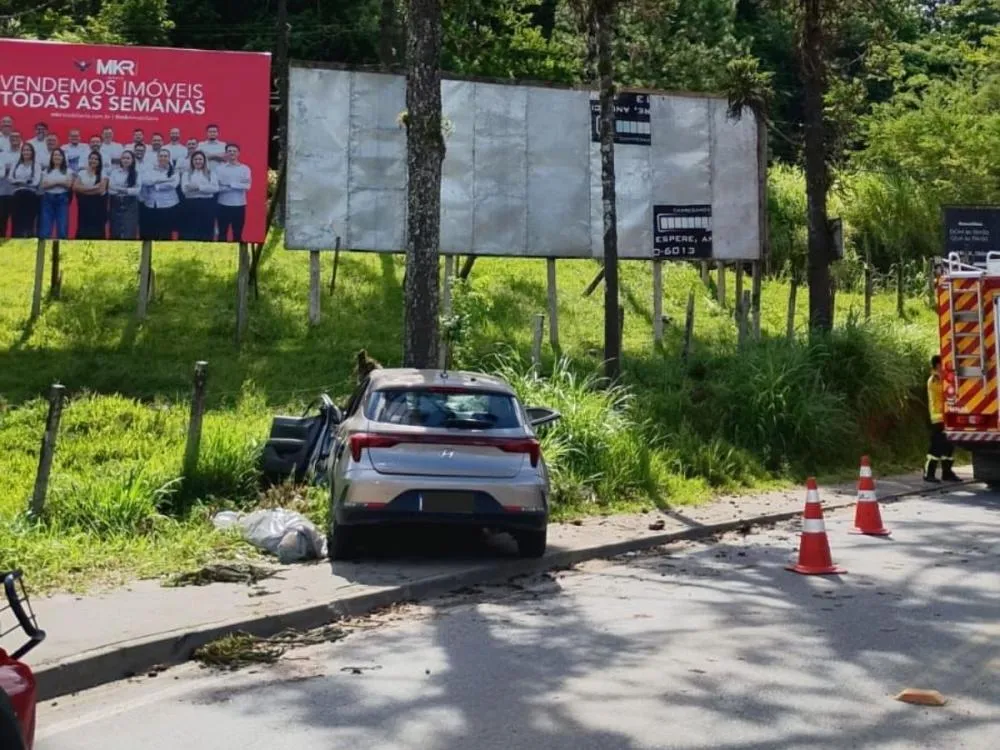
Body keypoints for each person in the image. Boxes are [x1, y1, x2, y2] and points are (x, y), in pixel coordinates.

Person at [925, 355, 960, 483]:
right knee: (936, 447)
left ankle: (947, 473)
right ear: (938, 365)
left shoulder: (942, 378)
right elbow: (944, 391)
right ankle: (929, 474)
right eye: (943, 364)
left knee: (949, 447)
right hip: (938, 417)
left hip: (947, 416)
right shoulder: (934, 379)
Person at [214, 143, 251, 242]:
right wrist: (237, 185)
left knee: (238, 233)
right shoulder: (219, 169)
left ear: (238, 153)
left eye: (234, 151)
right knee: (222, 233)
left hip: (239, 205)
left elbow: (247, 186)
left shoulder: (245, 169)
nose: (232, 153)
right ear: (226, 153)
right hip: (222, 205)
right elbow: (217, 187)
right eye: (229, 151)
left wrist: (229, 184)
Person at [180, 150, 219, 241]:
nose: (198, 161)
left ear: (204, 161)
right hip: (190, 205)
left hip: (207, 205)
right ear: (192, 161)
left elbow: (215, 189)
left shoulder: (210, 173)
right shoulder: (186, 174)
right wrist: (206, 188)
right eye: (195, 159)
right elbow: (185, 190)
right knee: (191, 230)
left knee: (206, 231)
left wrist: (198, 187)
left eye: (200, 159)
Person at [142, 148, 180, 240]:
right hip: (151, 205)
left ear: (169, 158)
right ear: (157, 157)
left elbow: (172, 185)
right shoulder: (150, 169)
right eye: (161, 156)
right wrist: (162, 180)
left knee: (165, 234)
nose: (163, 158)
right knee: (152, 233)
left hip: (168, 205)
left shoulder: (174, 171)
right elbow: (145, 181)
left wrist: (155, 185)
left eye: (165, 156)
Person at [39, 148, 74, 239]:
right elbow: (44, 185)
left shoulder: (69, 171)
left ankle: (61, 251)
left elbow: (69, 185)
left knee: (62, 229)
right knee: (45, 230)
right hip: (47, 199)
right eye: (55, 155)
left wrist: (52, 183)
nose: (57, 157)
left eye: (59, 155)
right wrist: (59, 182)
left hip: (62, 199)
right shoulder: (46, 171)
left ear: (63, 158)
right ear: (51, 158)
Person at [73, 151, 109, 240]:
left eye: (96, 159)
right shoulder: (82, 173)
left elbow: (100, 190)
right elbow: (75, 187)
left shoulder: (103, 173)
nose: (93, 160)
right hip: (84, 209)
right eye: (91, 158)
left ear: (99, 161)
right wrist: (93, 188)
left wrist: (84, 189)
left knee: (97, 234)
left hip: (98, 210)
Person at [8, 142, 41, 237]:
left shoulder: (36, 165)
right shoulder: (16, 164)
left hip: (30, 195)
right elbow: (10, 178)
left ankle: (28, 241)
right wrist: (25, 181)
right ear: (21, 152)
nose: (26, 152)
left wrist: (18, 181)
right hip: (17, 194)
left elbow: (35, 182)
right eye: (24, 150)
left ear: (32, 152)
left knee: (29, 220)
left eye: (28, 150)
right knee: (16, 220)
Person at [108, 150, 142, 240]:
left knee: (129, 230)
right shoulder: (114, 172)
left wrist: (119, 189)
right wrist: (127, 190)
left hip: (130, 204)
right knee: (115, 230)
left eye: (128, 158)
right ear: (121, 160)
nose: (125, 160)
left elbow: (137, 191)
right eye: (123, 158)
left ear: (132, 160)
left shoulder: (137, 173)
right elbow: (110, 189)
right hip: (115, 203)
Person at [0, 130, 21, 236]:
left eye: (17, 137)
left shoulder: (24, 154)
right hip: (2, 192)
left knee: (17, 222)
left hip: (17, 193)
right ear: (9, 140)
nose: (14, 140)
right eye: (12, 138)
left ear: (21, 139)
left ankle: (15, 247)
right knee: (1, 221)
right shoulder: (2, 154)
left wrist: (11, 170)